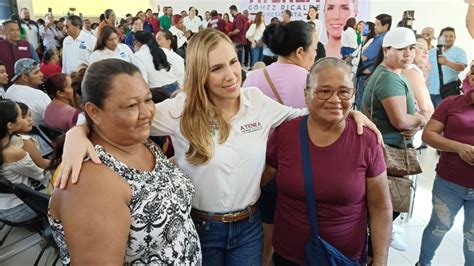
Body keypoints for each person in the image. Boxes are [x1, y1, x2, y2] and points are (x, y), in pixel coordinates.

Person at [56, 29, 378, 266]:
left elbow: (307, 114)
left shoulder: (256, 103)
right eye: (216, 68)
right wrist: (78, 132)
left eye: (232, 62)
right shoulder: (180, 110)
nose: (230, 75)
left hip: (249, 228)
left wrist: (352, 112)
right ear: (200, 74)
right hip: (200, 227)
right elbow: (120, 119)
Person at [48, 59, 201, 264]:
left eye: (148, 100)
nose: (146, 113)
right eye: (131, 105)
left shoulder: (139, 142)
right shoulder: (91, 183)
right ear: (94, 112)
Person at [267, 57, 391, 266]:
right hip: (288, 256)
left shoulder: (367, 141)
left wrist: (380, 258)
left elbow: (381, 207)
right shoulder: (285, 134)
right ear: (306, 94)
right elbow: (259, 183)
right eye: (324, 91)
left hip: (343, 258)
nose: (335, 100)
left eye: (344, 92)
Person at [243, 20, 318, 265]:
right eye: (314, 48)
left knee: (263, 230)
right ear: (300, 51)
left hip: (259, 168)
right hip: (299, 167)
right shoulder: (313, 83)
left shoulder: (253, 78)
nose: (315, 54)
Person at [361, 27, 427, 251]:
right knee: (384, 208)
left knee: (379, 208)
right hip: (388, 152)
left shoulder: (388, 73)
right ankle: (373, 251)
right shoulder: (389, 78)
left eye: (411, 48)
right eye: (401, 49)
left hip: (381, 149)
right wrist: (420, 118)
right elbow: (400, 121)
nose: (408, 54)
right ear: (387, 49)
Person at [416, 88, 474, 266]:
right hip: (449, 182)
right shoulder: (452, 103)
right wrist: (459, 147)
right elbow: (428, 134)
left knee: (472, 235)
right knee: (439, 227)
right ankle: (423, 263)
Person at [0, 99, 45, 223]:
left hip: (3, 206)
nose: (27, 118)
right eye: (21, 116)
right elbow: (40, 174)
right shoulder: (13, 152)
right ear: (10, 125)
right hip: (20, 208)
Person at [355, 13, 392, 110]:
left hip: (367, 74)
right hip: (372, 73)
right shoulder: (384, 38)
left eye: (378, 24)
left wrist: (356, 57)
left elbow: (365, 57)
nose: (375, 27)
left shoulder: (381, 40)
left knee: (361, 104)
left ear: (386, 26)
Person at [427, 27, 467, 108]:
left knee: (443, 118)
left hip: (446, 92)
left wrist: (447, 62)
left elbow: (461, 67)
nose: (448, 38)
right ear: (440, 38)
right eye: (445, 36)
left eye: (451, 36)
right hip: (429, 92)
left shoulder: (459, 51)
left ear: (455, 38)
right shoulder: (431, 51)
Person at [131, 31, 180, 96]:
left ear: (137, 42)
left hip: (159, 93)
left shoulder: (137, 56)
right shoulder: (163, 50)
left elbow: (143, 82)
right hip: (175, 87)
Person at [4, 58, 49, 126]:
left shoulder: (9, 90)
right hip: (38, 133)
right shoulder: (39, 95)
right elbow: (54, 120)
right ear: (24, 77)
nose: (41, 74)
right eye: (36, 73)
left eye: (40, 71)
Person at [402, 37, 434, 121]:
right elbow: (426, 108)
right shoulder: (411, 70)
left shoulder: (411, 69)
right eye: (420, 47)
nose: (426, 52)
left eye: (427, 49)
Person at [0, 20, 38, 87]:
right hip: (7, 85)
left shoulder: (27, 45)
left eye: (18, 30)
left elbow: (36, 63)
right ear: (4, 32)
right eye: (12, 30)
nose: (16, 33)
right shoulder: (1, 46)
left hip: (28, 84)